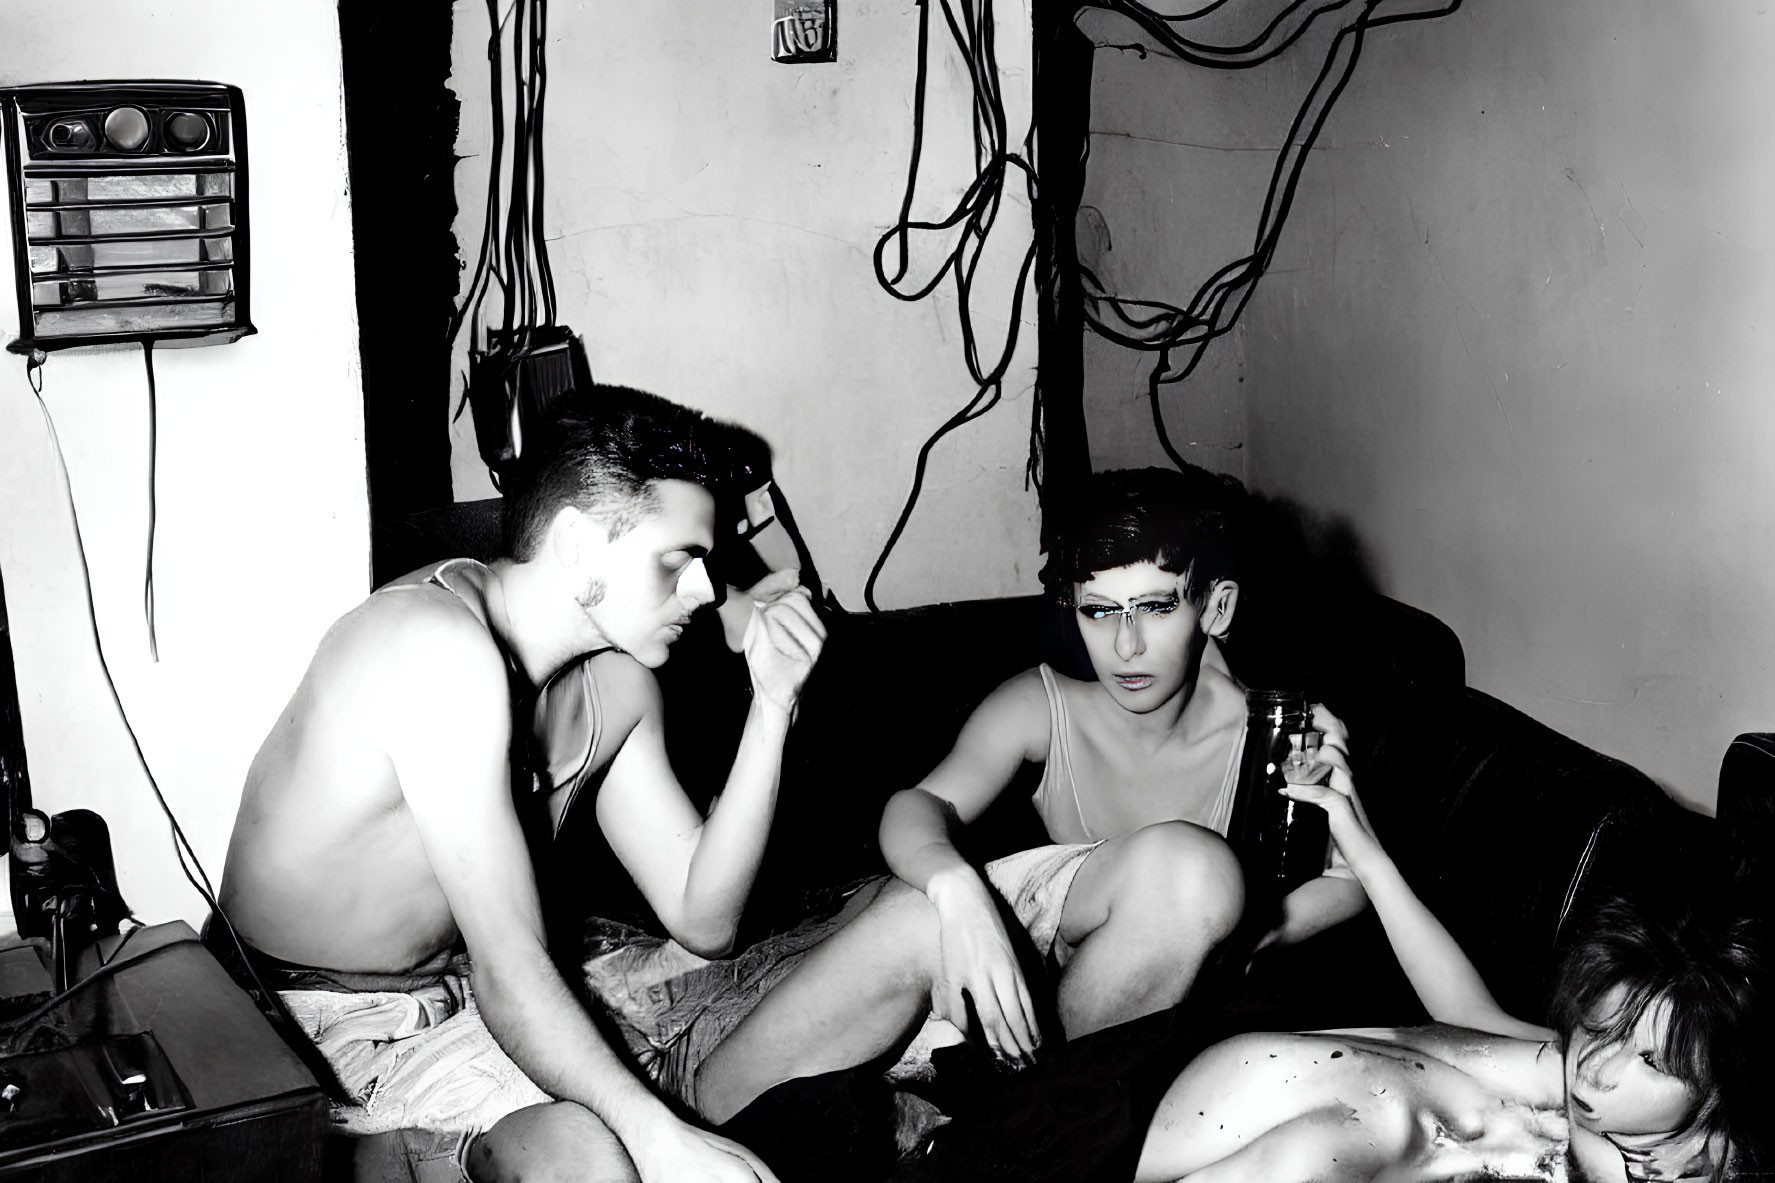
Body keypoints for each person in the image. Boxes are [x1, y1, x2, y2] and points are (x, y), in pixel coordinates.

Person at [213, 386, 829, 1183]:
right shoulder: (433, 645)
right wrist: (657, 1137)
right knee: (610, 1154)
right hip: (298, 1028)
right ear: (575, 545)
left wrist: (773, 704)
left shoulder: (617, 684)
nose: (708, 590)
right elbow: (511, 966)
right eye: (677, 560)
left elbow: (703, 916)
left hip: (447, 1002)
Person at [1133, 707, 1766, 1183]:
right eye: (1601, 1029)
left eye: (1655, 1063)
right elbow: (1468, 1015)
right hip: (1226, 1081)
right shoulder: (1600, 1083)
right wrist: (1362, 847)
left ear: (1724, 1091)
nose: (1595, 1068)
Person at [877, 466, 1370, 1063]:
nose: (1125, 647)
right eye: (1100, 612)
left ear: (1216, 607)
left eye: (1156, 608)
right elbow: (916, 805)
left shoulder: (1274, 733)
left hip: (1104, 1027)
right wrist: (957, 891)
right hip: (1011, 977)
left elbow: (1348, 882)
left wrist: (1252, 932)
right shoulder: (1043, 706)